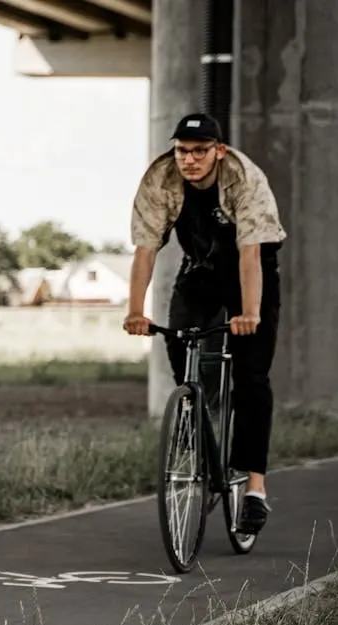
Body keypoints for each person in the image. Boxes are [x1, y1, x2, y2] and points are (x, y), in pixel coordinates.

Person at [122, 112, 286, 536]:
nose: (189, 160)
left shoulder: (243, 178)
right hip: (200, 270)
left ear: (218, 151)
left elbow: (250, 255)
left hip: (251, 270)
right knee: (179, 339)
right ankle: (193, 416)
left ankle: (253, 489)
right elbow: (145, 252)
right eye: (182, 151)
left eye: (199, 151)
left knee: (251, 378)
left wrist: (249, 312)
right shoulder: (160, 179)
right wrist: (135, 311)